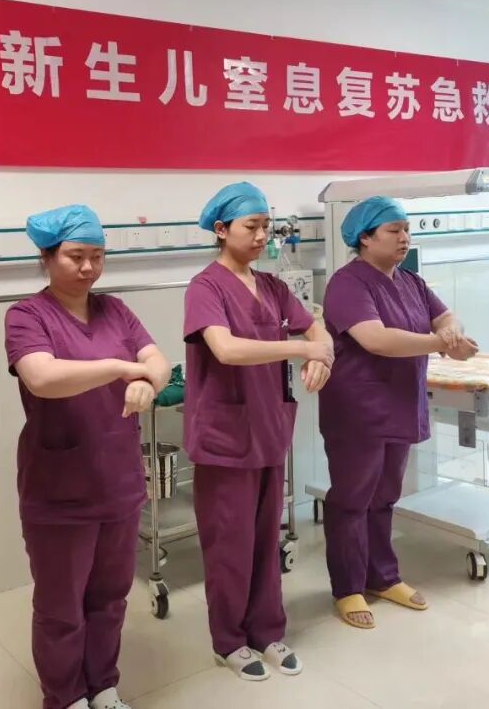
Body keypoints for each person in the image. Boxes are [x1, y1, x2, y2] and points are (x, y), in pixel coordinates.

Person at [4, 204, 171, 709]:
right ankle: (65, 695)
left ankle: (102, 685)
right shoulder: (27, 315)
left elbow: (158, 361)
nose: (88, 267)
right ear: (46, 256)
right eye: (75, 256)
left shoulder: (115, 310)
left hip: (119, 480)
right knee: (61, 605)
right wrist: (123, 368)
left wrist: (149, 381)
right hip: (59, 487)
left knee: (111, 595)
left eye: (97, 256)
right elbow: (42, 377)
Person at [183, 182, 334, 682]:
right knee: (230, 543)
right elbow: (226, 349)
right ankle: (229, 640)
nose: (262, 235)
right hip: (224, 438)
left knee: (267, 540)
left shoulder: (272, 287)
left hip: (268, 429)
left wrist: (322, 353)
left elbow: (313, 324)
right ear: (221, 230)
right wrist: (302, 350)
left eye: (267, 226)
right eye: (251, 226)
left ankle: (267, 630)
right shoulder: (205, 288)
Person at [319, 195, 478, 630]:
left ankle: (383, 576)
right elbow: (376, 339)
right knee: (352, 499)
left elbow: (446, 315)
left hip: (399, 405)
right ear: (365, 238)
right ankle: (348, 587)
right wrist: (441, 344)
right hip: (358, 411)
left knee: (385, 495)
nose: (404, 237)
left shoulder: (411, 282)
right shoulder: (347, 284)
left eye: (407, 229)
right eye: (394, 230)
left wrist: (451, 332)